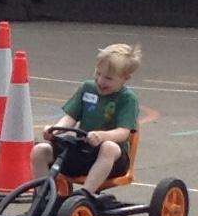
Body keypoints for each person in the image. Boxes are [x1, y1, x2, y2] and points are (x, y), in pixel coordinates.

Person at [33, 43, 143, 193]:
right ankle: (42, 196)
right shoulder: (87, 88)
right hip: (82, 150)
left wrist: (101, 136)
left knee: (108, 147)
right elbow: (70, 118)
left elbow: (123, 132)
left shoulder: (127, 99)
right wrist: (54, 130)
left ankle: (85, 194)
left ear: (125, 78)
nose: (100, 81)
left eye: (108, 78)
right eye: (98, 73)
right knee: (40, 150)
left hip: (113, 159)